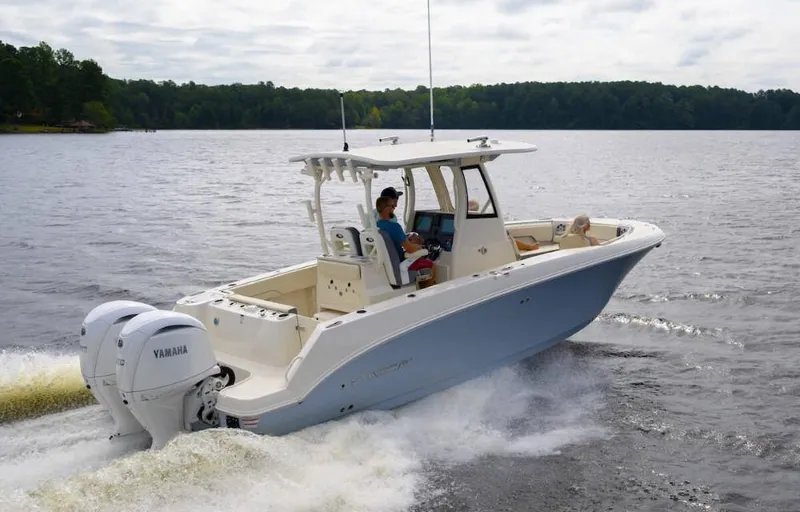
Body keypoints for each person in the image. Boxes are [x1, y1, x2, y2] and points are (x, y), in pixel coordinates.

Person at [375, 196, 436, 288]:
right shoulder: (395, 227)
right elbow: (410, 249)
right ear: (387, 209)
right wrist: (421, 247)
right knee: (431, 266)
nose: (394, 208)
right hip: (401, 265)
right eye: (392, 206)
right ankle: (426, 292)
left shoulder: (376, 227)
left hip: (386, 267)